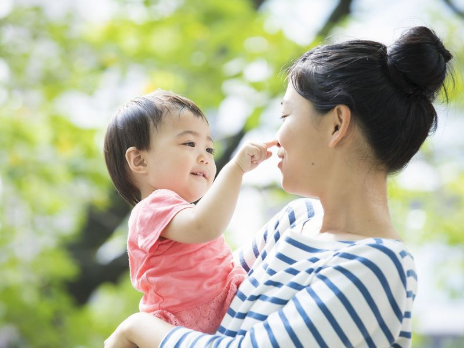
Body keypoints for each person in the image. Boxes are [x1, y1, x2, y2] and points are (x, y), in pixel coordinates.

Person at [104, 26, 453, 347]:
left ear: (336, 125)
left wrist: (135, 327)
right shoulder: (295, 221)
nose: (276, 135)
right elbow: (208, 285)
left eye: (286, 115)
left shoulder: (376, 266)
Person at [103, 90, 275, 334]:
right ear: (140, 161)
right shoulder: (152, 208)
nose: (204, 157)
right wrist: (235, 169)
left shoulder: (176, 211)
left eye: (209, 149)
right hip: (185, 329)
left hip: (218, 317)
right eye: (189, 144)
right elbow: (204, 226)